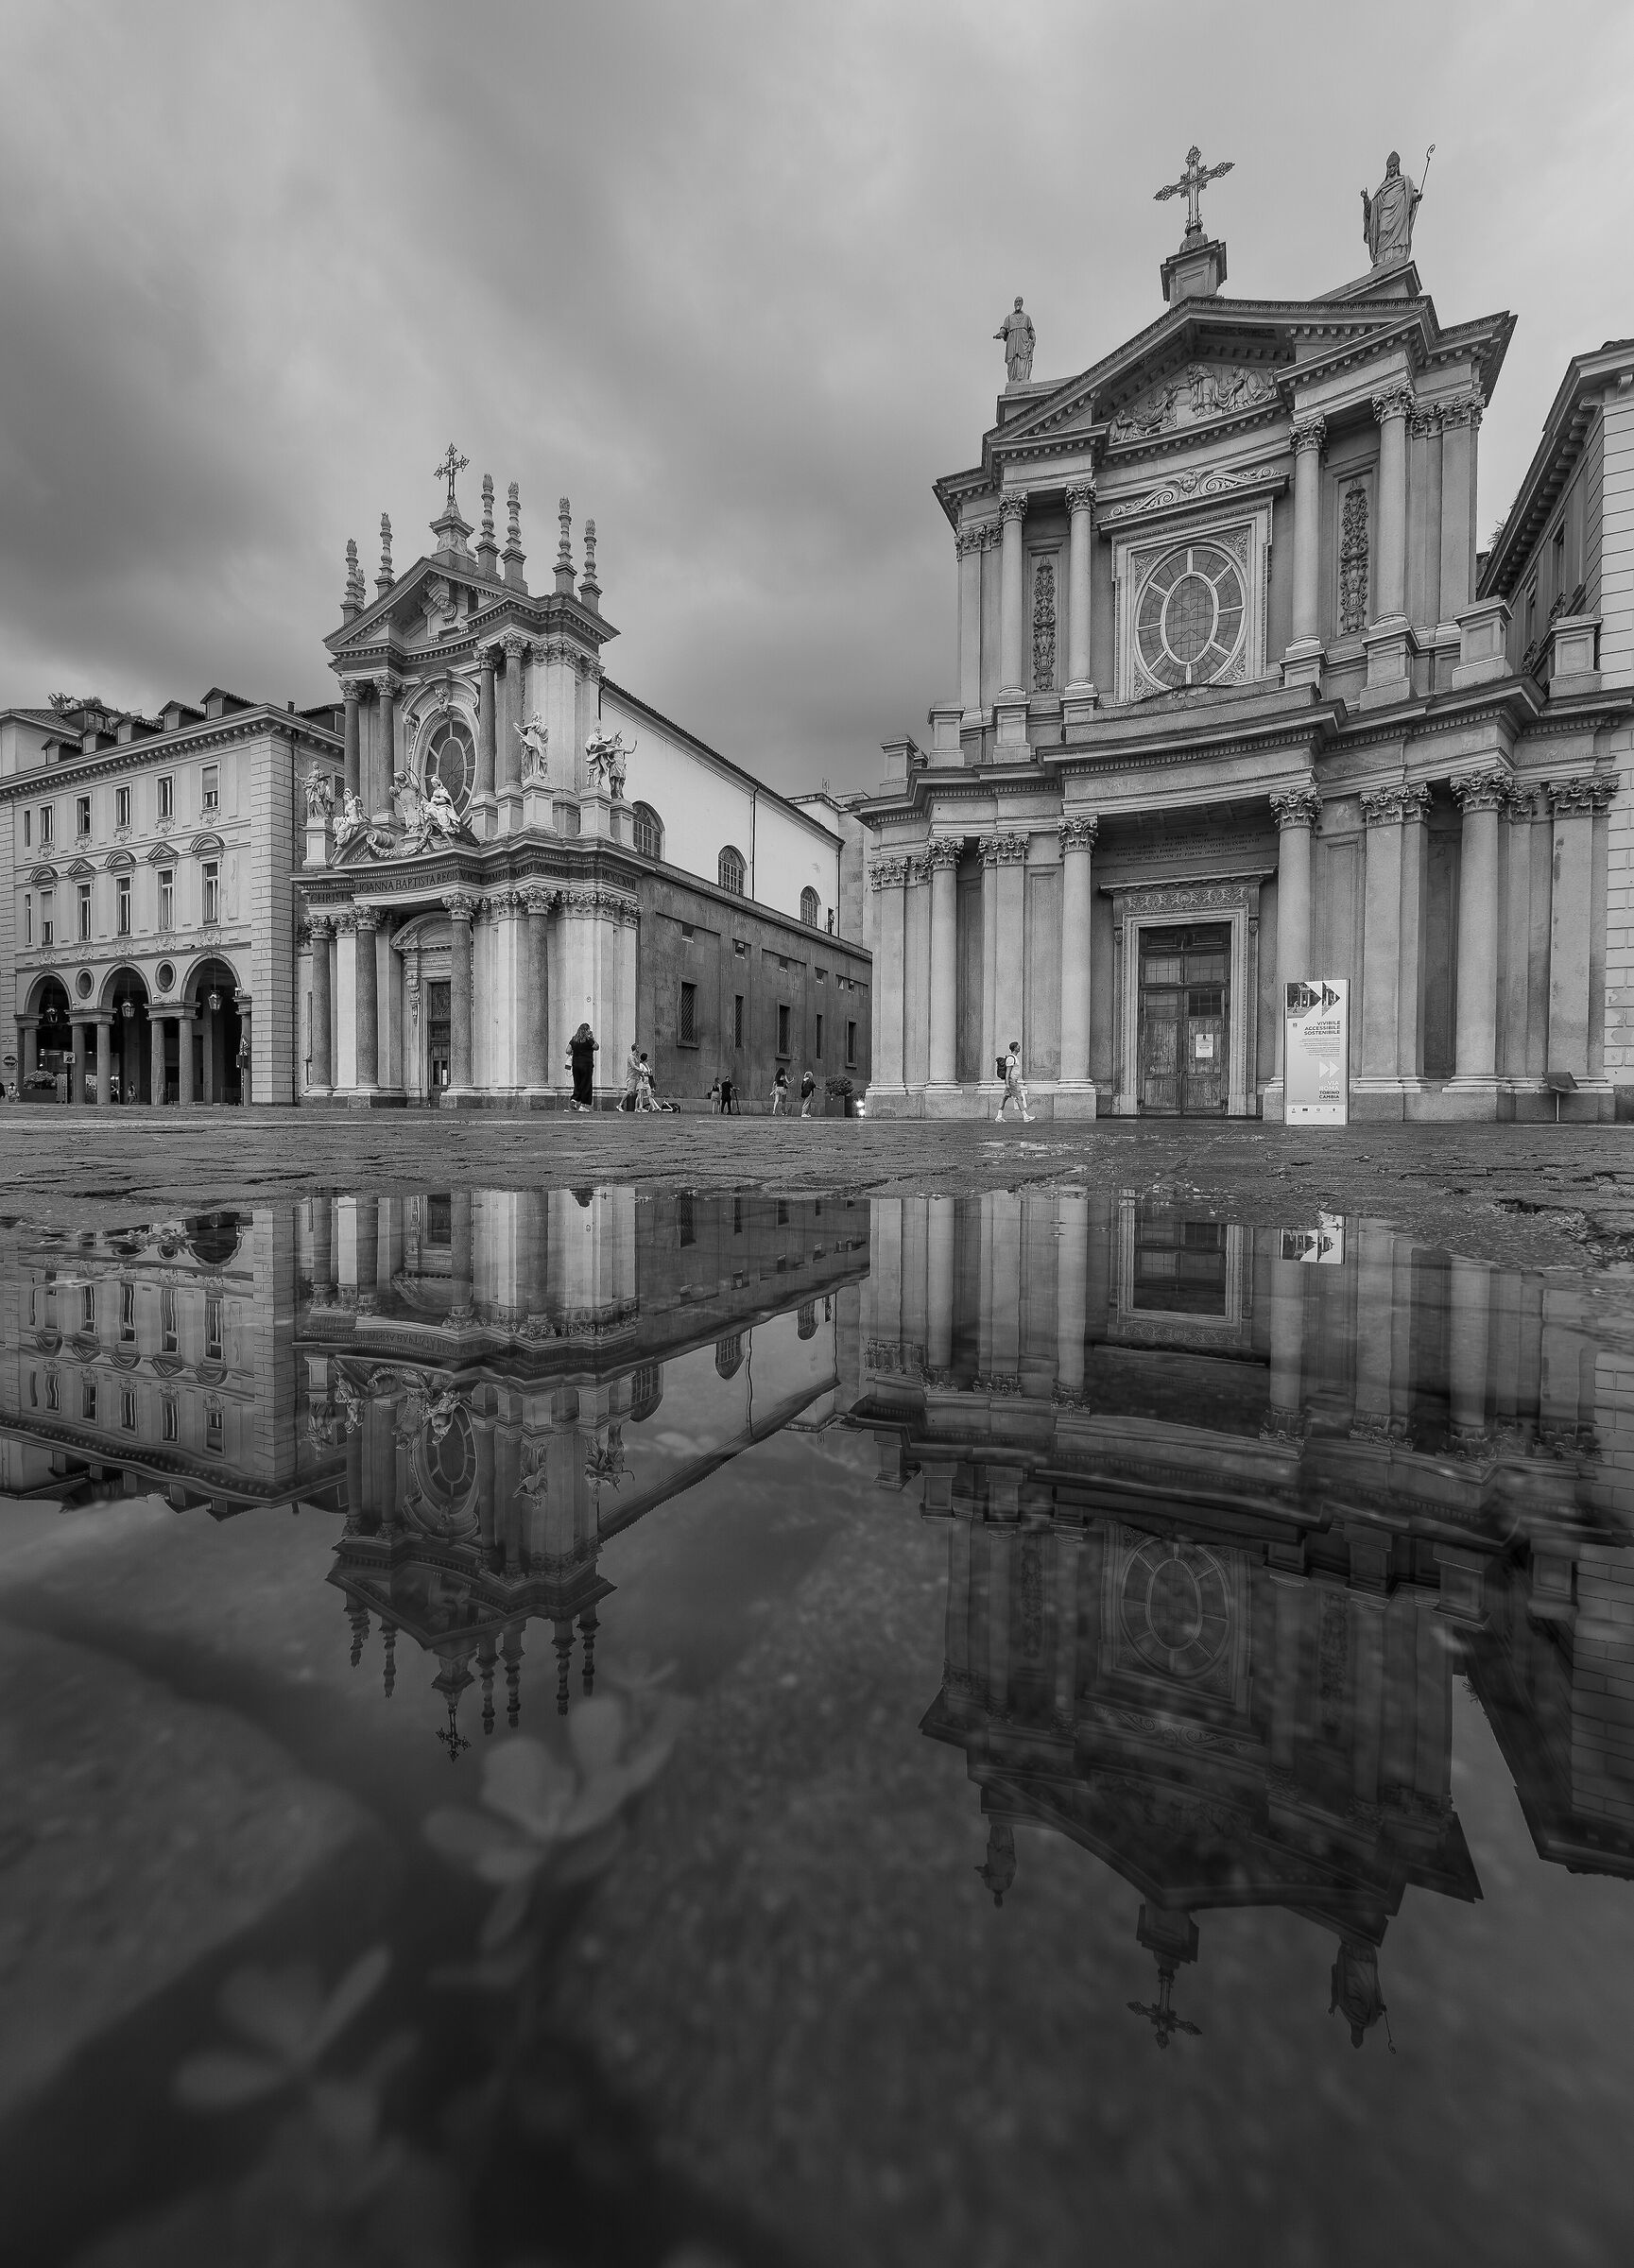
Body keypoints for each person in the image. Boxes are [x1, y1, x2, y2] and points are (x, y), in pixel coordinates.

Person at [995, 1039, 1032, 1123]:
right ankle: (1026, 1117)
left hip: (1012, 1081)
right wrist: (1007, 1083)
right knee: (1019, 1097)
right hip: (1012, 1081)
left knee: (1004, 1097)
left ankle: (999, 1116)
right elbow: (1008, 1072)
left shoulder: (1013, 1057)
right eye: (1018, 1046)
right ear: (1015, 1048)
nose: (1020, 1047)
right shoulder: (1011, 1058)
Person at [567, 1022, 598, 1110]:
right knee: (586, 1084)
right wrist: (593, 1038)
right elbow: (596, 1047)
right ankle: (583, 1105)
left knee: (577, 1083)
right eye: (588, 1029)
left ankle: (574, 1099)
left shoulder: (574, 1039)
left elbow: (567, 1050)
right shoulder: (588, 1039)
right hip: (586, 1064)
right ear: (586, 1030)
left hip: (576, 1064)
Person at [622, 1042, 641, 1112]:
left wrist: (640, 1074)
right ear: (635, 1049)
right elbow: (633, 1066)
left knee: (637, 1092)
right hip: (631, 1076)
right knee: (629, 1091)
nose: (639, 1049)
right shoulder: (631, 1056)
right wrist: (641, 1070)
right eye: (638, 1048)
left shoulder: (636, 1057)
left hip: (636, 1077)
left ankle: (637, 1107)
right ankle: (620, 1104)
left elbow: (637, 1067)